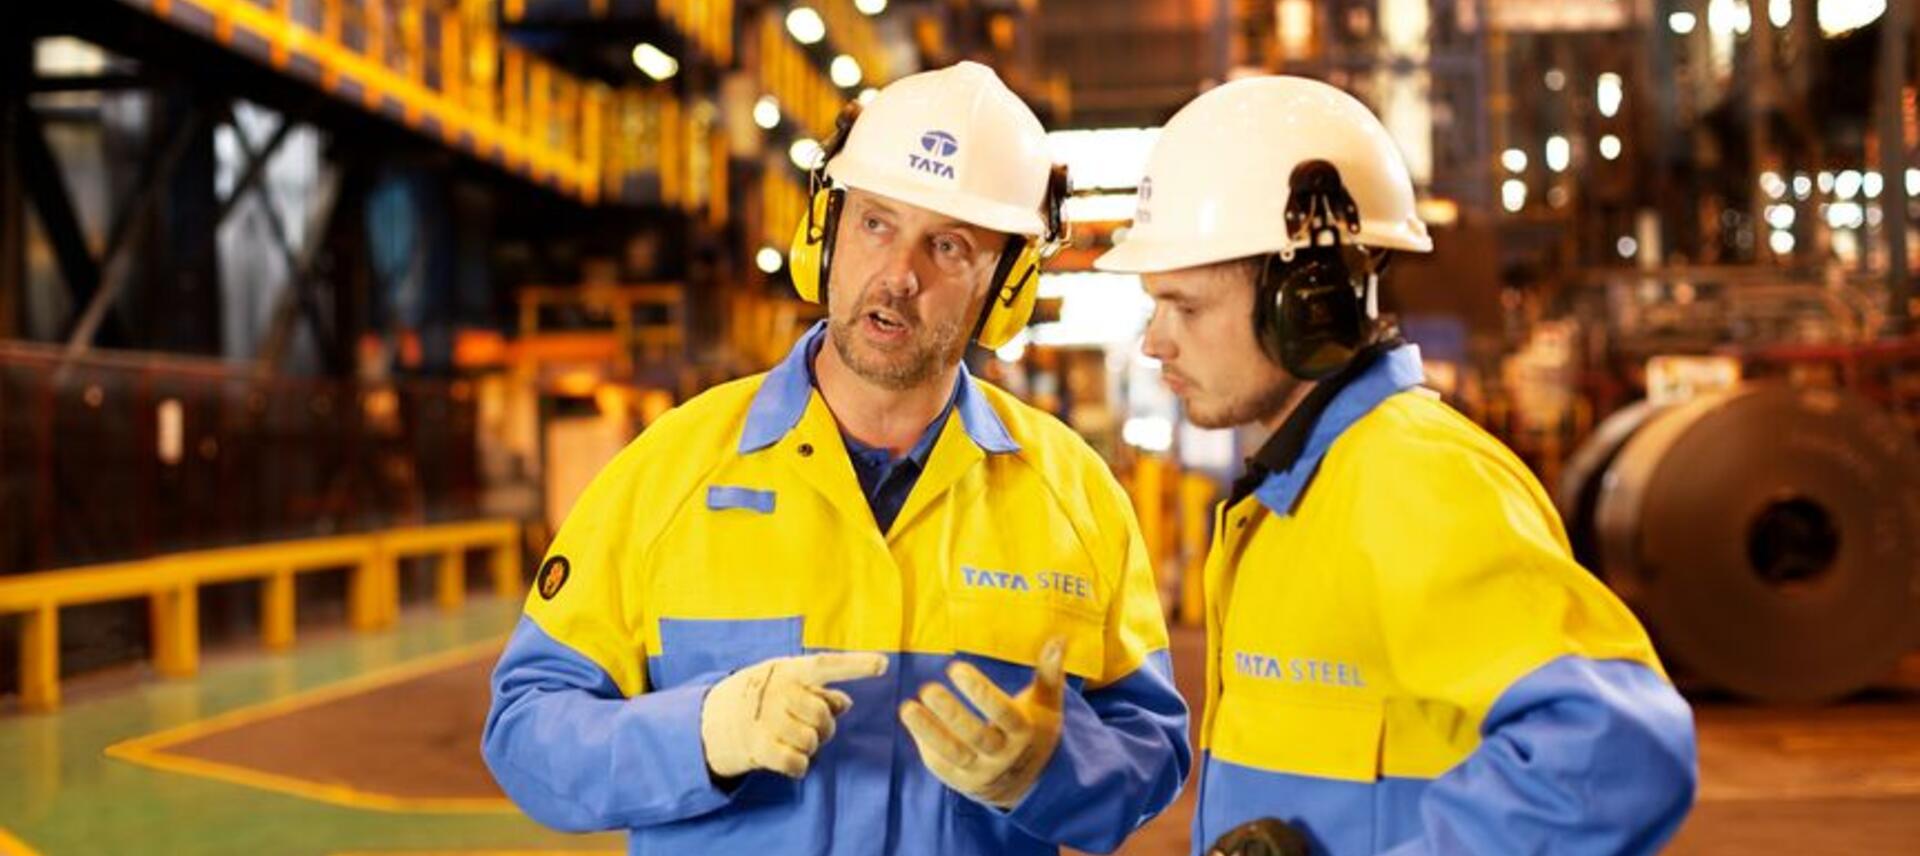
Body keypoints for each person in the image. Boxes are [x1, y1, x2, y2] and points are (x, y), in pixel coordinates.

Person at [482, 61, 1189, 856]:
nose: (899, 275)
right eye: (876, 223)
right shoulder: (671, 471)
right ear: (825, 228)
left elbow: (1152, 747)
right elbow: (526, 729)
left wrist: (1054, 771)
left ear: (1008, 284)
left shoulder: (1076, 498)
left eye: (948, 245)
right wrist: (701, 734)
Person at [1095, 75, 1697, 856]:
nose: (1155, 340)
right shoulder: (1291, 501)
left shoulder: (1414, 480)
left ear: (1306, 301)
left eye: (1186, 305)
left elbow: (1620, 751)